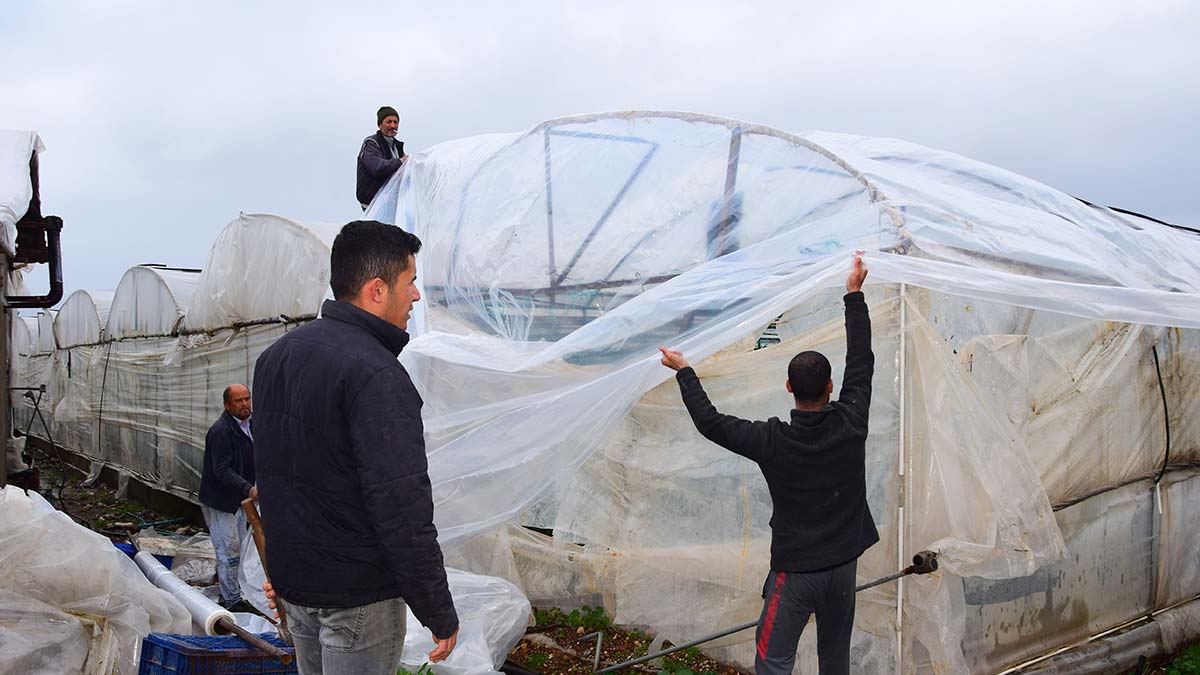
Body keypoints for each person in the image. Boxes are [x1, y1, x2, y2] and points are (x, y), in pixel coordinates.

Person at [253, 220, 457, 674]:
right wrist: (437, 609)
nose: (416, 297)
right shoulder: (375, 373)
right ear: (377, 289)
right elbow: (400, 503)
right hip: (357, 597)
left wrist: (280, 571)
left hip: (298, 589)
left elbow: (275, 477)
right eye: (411, 282)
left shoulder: (275, 358)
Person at [658, 254, 876, 675]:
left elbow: (711, 423)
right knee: (836, 660)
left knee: (774, 662)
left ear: (789, 387)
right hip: (843, 568)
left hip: (796, 574)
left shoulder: (773, 440)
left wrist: (685, 371)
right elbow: (862, 362)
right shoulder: (852, 420)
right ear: (831, 387)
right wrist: (854, 295)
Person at [198, 383, 257, 612]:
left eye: (246, 399)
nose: (244, 404)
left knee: (239, 547)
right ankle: (231, 601)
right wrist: (248, 488)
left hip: (239, 500)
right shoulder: (221, 431)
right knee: (228, 550)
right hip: (221, 501)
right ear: (227, 405)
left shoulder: (251, 425)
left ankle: (234, 592)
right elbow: (221, 470)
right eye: (238, 401)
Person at [356, 106, 408, 210]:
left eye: (396, 122)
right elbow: (378, 168)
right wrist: (401, 161)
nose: (393, 125)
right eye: (388, 122)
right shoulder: (371, 143)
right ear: (380, 125)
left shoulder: (397, 147)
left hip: (390, 205)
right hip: (372, 205)